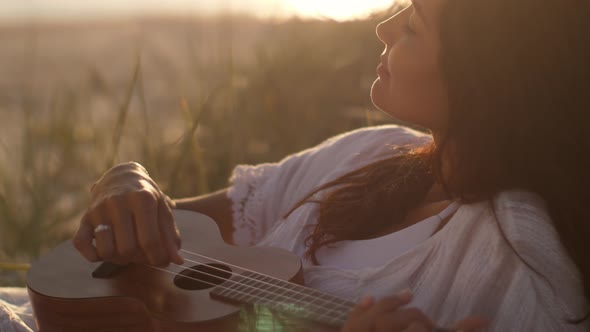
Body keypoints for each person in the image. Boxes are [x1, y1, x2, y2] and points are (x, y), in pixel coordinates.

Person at [73, 0, 590, 331]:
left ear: (483, 75)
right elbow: (172, 231)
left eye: (412, 26)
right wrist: (126, 181)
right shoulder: (374, 152)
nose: (384, 28)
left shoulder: (521, 259)